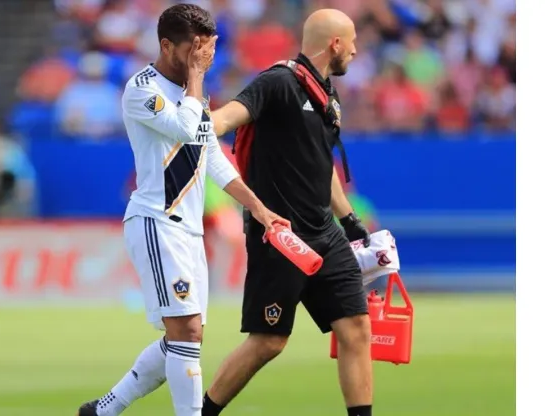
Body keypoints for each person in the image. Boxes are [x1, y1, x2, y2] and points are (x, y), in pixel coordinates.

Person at [77, 4, 288, 416]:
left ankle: (104, 409)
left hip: (189, 229)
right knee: (186, 332)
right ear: (166, 45)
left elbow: (211, 156)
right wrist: (196, 77)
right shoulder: (142, 88)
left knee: (185, 339)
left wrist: (258, 208)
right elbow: (186, 128)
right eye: (195, 50)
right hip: (156, 221)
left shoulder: (196, 96)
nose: (202, 59)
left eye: (206, 50)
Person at [202, 8, 375, 416]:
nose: (354, 49)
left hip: (324, 232)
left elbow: (322, 164)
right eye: (350, 41)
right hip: (280, 236)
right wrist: (200, 125)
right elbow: (229, 116)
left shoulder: (326, 95)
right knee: (268, 342)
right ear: (334, 44)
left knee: (356, 329)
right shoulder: (278, 82)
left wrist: (349, 221)